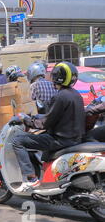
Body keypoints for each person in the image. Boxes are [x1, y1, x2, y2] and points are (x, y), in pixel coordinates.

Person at [12, 62, 85, 192]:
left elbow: (45, 123)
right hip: (73, 138)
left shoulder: (60, 96)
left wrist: (26, 120)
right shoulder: (75, 94)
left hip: (60, 140)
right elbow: (54, 116)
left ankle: (31, 179)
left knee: (17, 140)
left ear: (56, 76)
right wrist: (36, 118)